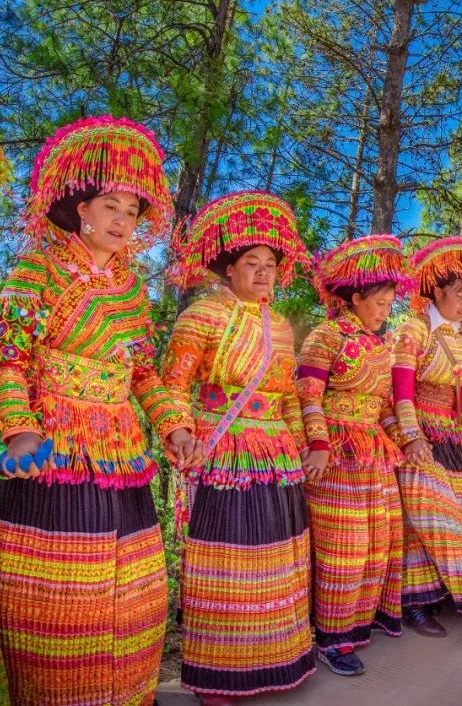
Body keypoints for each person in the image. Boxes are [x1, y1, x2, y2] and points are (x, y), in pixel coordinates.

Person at [0, 116, 201, 706]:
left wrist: (176, 426)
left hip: (122, 452)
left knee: (133, 590)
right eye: (111, 204)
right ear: (81, 207)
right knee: (62, 594)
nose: (121, 220)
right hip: (54, 451)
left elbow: (143, 375)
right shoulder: (35, 271)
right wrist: (20, 433)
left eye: (133, 211)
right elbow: (7, 362)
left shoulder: (133, 290)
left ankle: (129, 694)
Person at [163, 190, 316, 701]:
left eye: (270, 264)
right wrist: (180, 431)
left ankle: (273, 662)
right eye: (252, 263)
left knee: (276, 557)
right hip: (223, 449)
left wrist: (299, 443)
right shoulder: (202, 316)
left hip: (276, 458)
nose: (264, 272)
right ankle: (218, 676)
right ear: (229, 269)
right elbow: (172, 385)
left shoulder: (280, 328)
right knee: (225, 560)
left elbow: (288, 396)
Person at [295, 235, 410, 674]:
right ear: (355, 297)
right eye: (379, 303)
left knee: (378, 542)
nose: (385, 312)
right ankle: (332, 637)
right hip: (338, 454)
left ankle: (358, 624)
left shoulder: (380, 345)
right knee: (343, 545)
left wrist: (405, 438)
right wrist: (319, 444)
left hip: (373, 454)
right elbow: (308, 394)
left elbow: (382, 406)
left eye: (389, 305)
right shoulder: (326, 335)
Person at [390, 237, 462, 635]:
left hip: (449, 436)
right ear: (436, 292)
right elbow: (400, 389)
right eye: (459, 294)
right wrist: (411, 435)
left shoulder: (456, 338)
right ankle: (418, 603)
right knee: (431, 517)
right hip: (420, 434)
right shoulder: (412, 331)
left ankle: (448, 593)